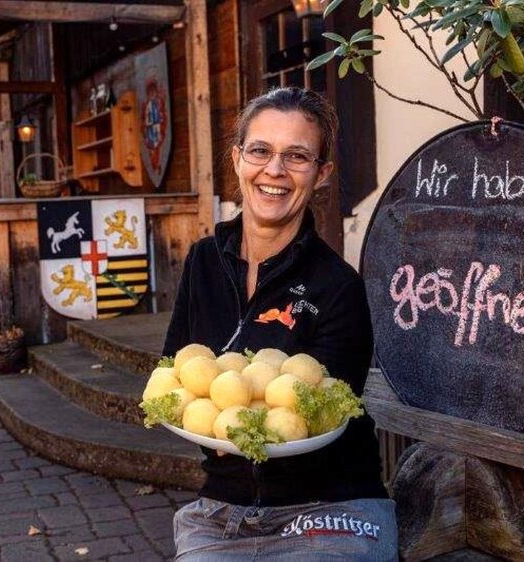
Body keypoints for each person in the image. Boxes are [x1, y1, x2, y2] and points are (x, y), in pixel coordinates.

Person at [163, 87, 397, 561]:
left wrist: (235, 424)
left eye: (297, 156)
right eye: (260, 151)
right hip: (222, 512)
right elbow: (174, 373)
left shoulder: (338, 286)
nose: (274, 170)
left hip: (331, 507)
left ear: (321, 173)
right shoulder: (203, 261)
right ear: (237, 160)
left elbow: (319, 412)